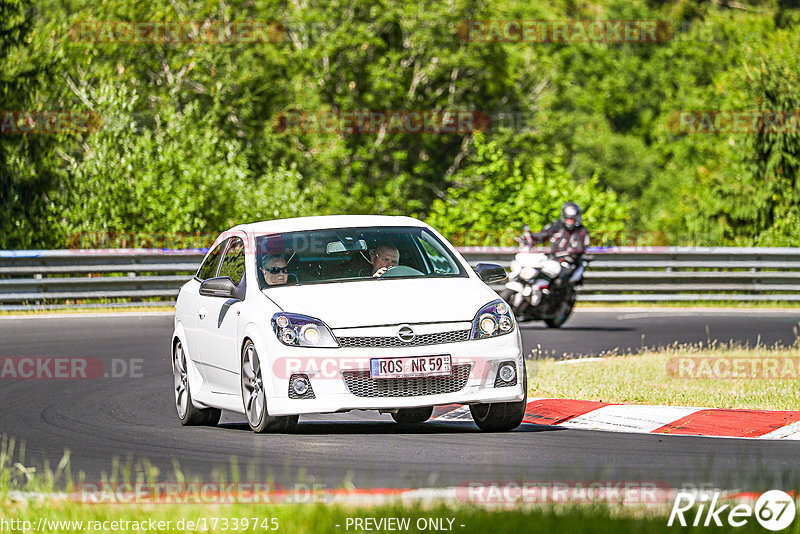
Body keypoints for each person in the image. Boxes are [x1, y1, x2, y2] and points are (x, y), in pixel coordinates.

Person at [524, 202, 590, 286]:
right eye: (568, 219)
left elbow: (582, 247)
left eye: (572, 219)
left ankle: (559, 297)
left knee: (558, 282)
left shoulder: (582, 230)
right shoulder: (557, 225)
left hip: (571, 261)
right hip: (553, 259)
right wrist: (531, 236)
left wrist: (571, 252)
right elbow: (544, 234)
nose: (570, 222)